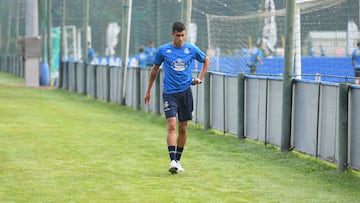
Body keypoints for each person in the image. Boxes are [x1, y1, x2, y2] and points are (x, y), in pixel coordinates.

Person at [144, 21, 210, 174]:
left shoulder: (191, 49)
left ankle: (178, 160)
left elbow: (206, 60)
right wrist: (148, 90)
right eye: (177, 35)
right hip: (169, 93)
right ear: (172, 35)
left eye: (182, 35)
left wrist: (199, 78)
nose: (180, 38)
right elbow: (154, 71)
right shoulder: (163, 50)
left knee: (183, 127)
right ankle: (172, 160)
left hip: (185, 92)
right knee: (172, 125)